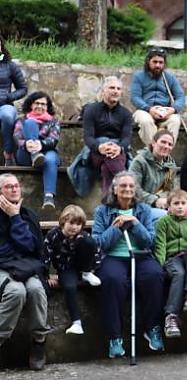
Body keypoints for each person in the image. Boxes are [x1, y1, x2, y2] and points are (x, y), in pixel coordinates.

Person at [93, 171, 164, 358]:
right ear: (114, 189)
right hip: (113, 257)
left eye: (131, 186)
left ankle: (152, 328)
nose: (127, 189)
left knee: (154, 275)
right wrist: (116, 227)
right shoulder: (102, 211)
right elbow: (99, 243)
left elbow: (149, 241)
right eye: (123, 186)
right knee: (112, 279)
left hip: (141, 256)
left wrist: (134, 223)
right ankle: (115, 338)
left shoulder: (144, 210)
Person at [0, 174, 47, 370]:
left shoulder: (27, 215)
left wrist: (15, 217)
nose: (14, 189)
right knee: (16, 292)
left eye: (16, 186)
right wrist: (15, 247)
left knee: (36, 290)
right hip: (3, 268)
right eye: (8, 187)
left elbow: (31, 246)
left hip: (26, 267)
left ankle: (39, 342)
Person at [153, 189, 187, 338]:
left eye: (183, 203)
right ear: (169, 207)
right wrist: (161, 264)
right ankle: (171, 316)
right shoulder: (163, 222)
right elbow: (160, 244)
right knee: (179, 273)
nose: (180, 206)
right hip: (172, 258)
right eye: (176, 203)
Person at [42, 205, 100, 336]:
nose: (74, 227)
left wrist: (93, 269)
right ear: (63, 222)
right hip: (66, 269)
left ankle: (87, 273)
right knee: (69, 286)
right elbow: (45, 255)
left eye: (78, 224)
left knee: (89, 242)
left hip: (84, 268)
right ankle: (76, 322)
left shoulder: (83, 236)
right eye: (71, 223)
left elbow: (95, 253)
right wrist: (46, 276)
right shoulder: (53, 235)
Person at [80, 76, 133, 197]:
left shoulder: (126, 113)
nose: (115, 91)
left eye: (118, 88)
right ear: (103, 91)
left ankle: (108, 202)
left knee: (106, 168)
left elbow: (126, 138)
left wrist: (119, 148)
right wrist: (99, 147)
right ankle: (128, 184)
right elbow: (88, 137)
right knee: (109, 154)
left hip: (118, 151)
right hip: (95, 152)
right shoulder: (91, 110)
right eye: (112, 88)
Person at [12, 91, 60, 209]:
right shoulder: (22, 120)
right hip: (25, 155)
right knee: (30, 123)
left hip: (46, 151)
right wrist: (26, 144)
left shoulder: (53, 121)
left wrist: (41, 145)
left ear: (47, 106)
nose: (40, 106)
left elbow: (54, 139)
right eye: (37, 103)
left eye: (43, 104)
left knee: (51, 158)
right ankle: (35, 155)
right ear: (31, 105)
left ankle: (49, 197)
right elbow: (16, 137)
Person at [131, 48, 185, 147]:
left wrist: (173, 110)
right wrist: (149, 109)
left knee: (175, 120)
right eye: (155, 62)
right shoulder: (139, 76)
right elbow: (135, 97)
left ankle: (165, 153)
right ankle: (154, 153)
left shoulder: (170, 77)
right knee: (145, 121)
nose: (158, 65)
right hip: (145, 110)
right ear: (148, 62)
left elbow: (181, 97)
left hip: (165, 111)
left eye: (161, 62)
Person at [128, 130, 178, 224]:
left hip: (161, 206)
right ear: (154, 143)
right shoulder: (139, 162)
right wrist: (155, 200)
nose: (166, 146)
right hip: (138, 207)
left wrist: (164, 200)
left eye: (170, 144)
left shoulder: (170, 165)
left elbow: (168, 189)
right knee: (167, 218)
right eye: (163, 142)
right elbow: (133, 189)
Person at [0, 35, 28, 166]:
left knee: (7, 116)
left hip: (4, 105)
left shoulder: (10, 66)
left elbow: (23, 88)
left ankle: (8, 154)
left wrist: (8, 97)